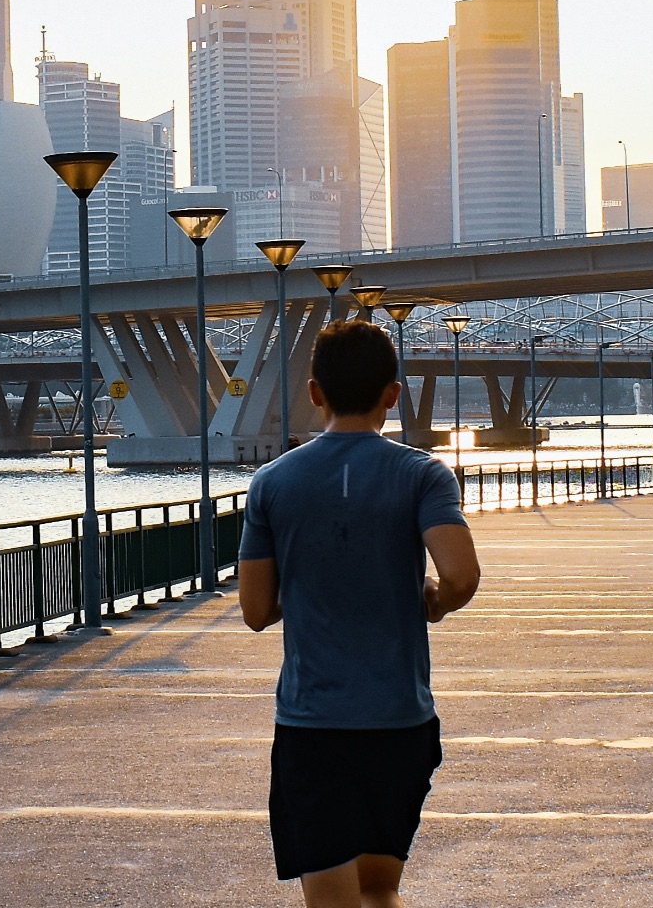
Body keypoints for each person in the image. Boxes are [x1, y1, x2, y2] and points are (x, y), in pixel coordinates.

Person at [238, 319, 481, 908]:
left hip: (313, 723)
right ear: (392, 394)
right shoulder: (424, 474)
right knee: (380, 889)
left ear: (315, 392)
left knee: (331, 900)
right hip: (400, 721)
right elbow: (461, 576)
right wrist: (435, 601)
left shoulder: (272, 482)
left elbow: (255, 610)